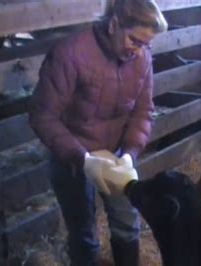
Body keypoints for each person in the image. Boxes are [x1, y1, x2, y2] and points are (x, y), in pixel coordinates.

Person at [28, 0, 168, 265]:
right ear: (114, 25)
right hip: (71, 156)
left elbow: (143, 111)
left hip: (116, 154)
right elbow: (42, 114)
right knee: (83, 232)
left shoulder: (142, 58)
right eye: (134, 41)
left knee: (127, 222)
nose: (139, 51)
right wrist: (83, 159)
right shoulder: (69, 54)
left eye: (146, 45)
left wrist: (129, 154)